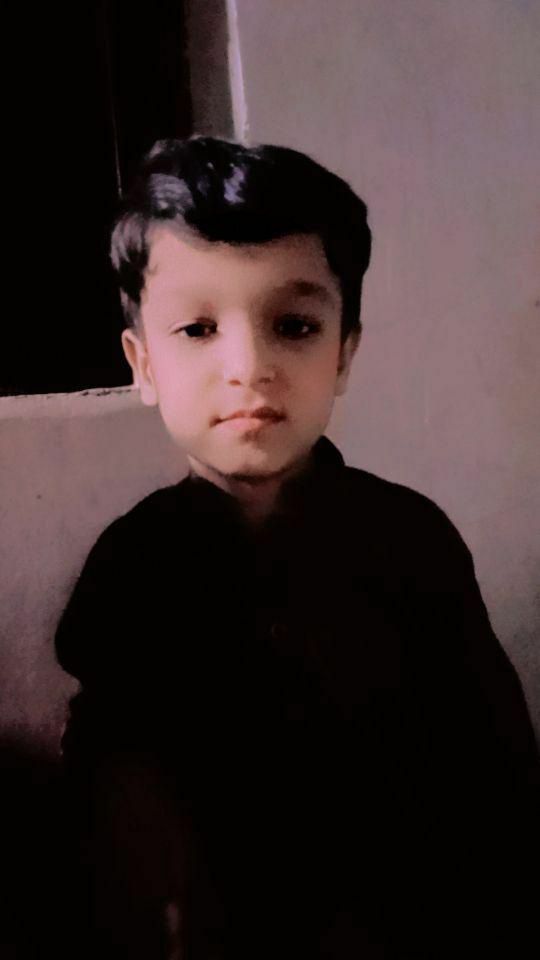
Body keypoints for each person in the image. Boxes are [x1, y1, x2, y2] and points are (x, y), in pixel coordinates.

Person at [55, 136, 540, 959]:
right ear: (143, 364)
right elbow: (112, 826)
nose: (249, 367)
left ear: (343, 352)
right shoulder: (133, 570)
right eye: (198, 328)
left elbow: (498, 782)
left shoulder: (409, 543)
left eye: (294, 326)